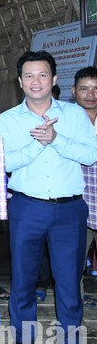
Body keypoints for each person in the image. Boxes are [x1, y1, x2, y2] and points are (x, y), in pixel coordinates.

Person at [0, 51, 97, 344]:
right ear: (19, 82)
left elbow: (90, 154)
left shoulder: (74, 115)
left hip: (69, 208)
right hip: (27, 207)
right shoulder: (8, 119)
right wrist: (37, 144)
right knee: (23, 276)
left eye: (42, 75)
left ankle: (71, 343)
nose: (35, 81)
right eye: (28, 76)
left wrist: (56, 139)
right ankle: (22, 339)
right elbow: (6, 162)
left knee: (68, 278)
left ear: (54, 80)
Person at [74, 67, 97, 308]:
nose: (91, 94)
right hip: (77, 207)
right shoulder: (67, 122)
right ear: (74, 91)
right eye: (84, 88)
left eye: (96, 89)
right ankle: (73, 316)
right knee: (73, 269)